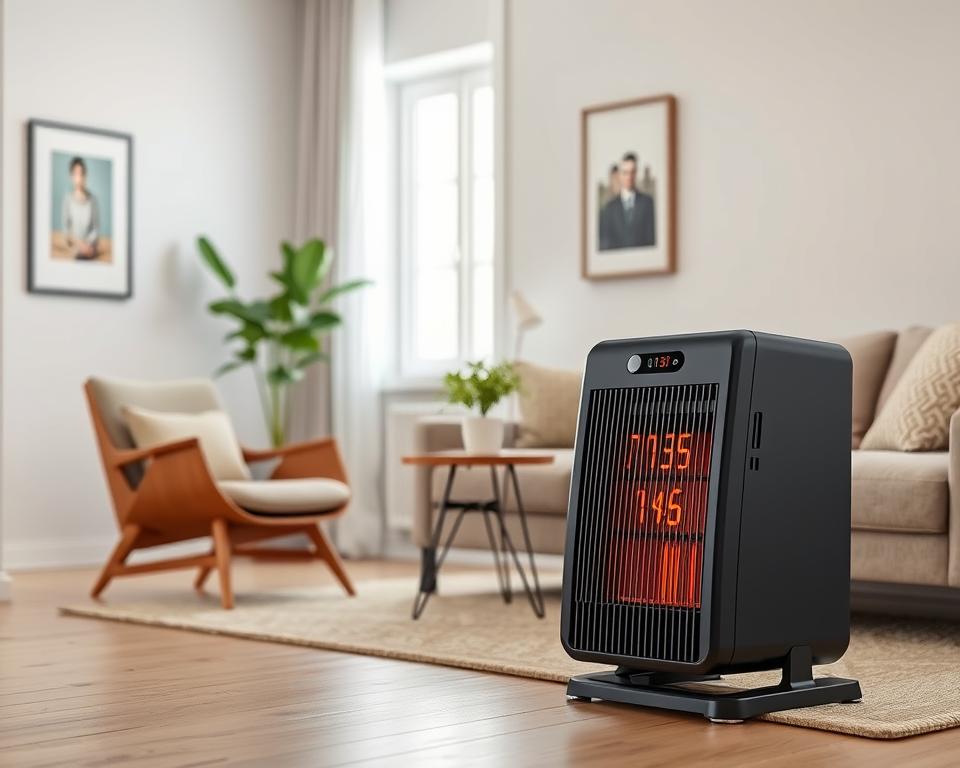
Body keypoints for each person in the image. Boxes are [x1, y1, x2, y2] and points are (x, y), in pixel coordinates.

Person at [598, 152, 655, 251]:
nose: (629, 177)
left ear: (636, 173)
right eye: (625, 173)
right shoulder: (610, 208)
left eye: (632, 172)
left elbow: (651, 239)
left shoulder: (648, 203)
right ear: (620, 175)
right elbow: (605, 243)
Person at [61, 156, 100, 260]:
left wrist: (87, 245)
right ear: (71, 176)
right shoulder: (67, 199)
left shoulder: (93, 200)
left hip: (90, 248)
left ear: (85, 175)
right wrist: (79, 245)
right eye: (76, 174)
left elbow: (95, 230)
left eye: (82, 174)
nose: (79, 178)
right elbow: (66, 229)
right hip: (74, 247)